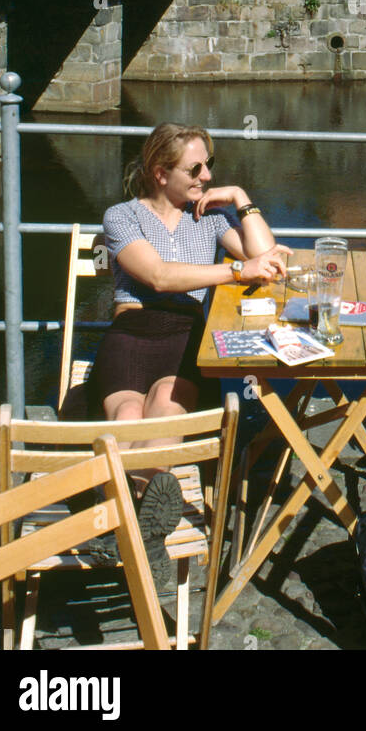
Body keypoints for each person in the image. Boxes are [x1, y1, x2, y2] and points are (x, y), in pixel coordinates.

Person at [89, 122, 290, 580]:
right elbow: (157, 276)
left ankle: (119, 527)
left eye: (210, 165)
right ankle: (145, 530)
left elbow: (269, 258)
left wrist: (240, 198)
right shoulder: (123, 216)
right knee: (126, 414)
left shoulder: (211, 216)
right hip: (133, 329)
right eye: (195, 168)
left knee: (165, 402)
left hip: (186, 333)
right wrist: (237, 273)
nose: (205, 176)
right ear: (160, 173)